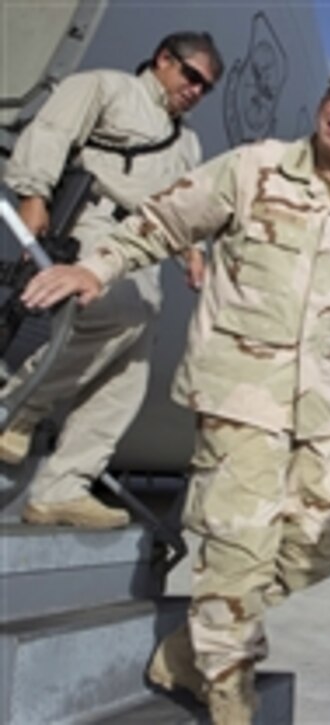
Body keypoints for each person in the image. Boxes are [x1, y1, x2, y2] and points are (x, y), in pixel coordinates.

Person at [22, 47, 330, 724]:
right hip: (240, 390)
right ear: (325, 101)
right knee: (238, 550)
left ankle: (189, 650)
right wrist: (99, 266)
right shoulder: (254, 167)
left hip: (318, 403)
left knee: (324, 540)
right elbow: (165, 218)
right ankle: (228, 689)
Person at [1, 31, 223, 529]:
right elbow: (54, 130)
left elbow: (183, 201)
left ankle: (64, 487)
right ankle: (17, 407)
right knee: (126, 311)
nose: (196, 91)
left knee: (129, 377)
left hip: (145, 246)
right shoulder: (106, 87)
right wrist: (33, 195)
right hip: (94, 221)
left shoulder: (187, 141)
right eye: (191, 76)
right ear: (164, 59)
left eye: (206, 87)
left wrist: (193, 249)